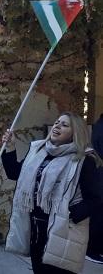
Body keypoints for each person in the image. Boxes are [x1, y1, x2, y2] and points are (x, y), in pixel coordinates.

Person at [2, 112, 103, 273]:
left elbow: (95, 198)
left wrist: (69, 213)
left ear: (75, 132)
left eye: (64, 125)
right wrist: (10, 147)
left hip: (63, 231)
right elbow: (15, 173)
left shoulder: (84, 159)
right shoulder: (39, 151)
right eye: (57, 122)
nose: (57, 126)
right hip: (36, 229)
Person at [87, 113, 103, 264]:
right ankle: (93, 250)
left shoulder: (99, 126)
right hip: (100, 177)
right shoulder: (100, 127)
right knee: (99, 215)